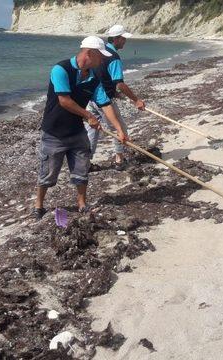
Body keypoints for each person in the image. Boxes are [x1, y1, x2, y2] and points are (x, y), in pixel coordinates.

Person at [33, 36, 128, 219]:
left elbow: (105, 103)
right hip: (54, 132)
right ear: (89, 53)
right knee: (48, 174)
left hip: (77, 132)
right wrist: (89, 115)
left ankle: (82, 203)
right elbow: (64, 101)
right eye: (101, 56)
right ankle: (38, 205)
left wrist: (119, 129)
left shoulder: (94, 78)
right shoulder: (61, 70)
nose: (103, 60)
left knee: (81, 170)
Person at [84, 24, 145, 171]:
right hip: (104, 101)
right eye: (123, 39)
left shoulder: (98, 52)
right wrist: (136, 100)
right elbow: (120, 84)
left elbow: (98, 75)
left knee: (91, 131)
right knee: (120, 129)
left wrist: (112, 90)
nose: (125, 42)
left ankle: (84, 163)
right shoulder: (114, 58)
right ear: (116, 39)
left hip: (90, 98)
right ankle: (119, 160)